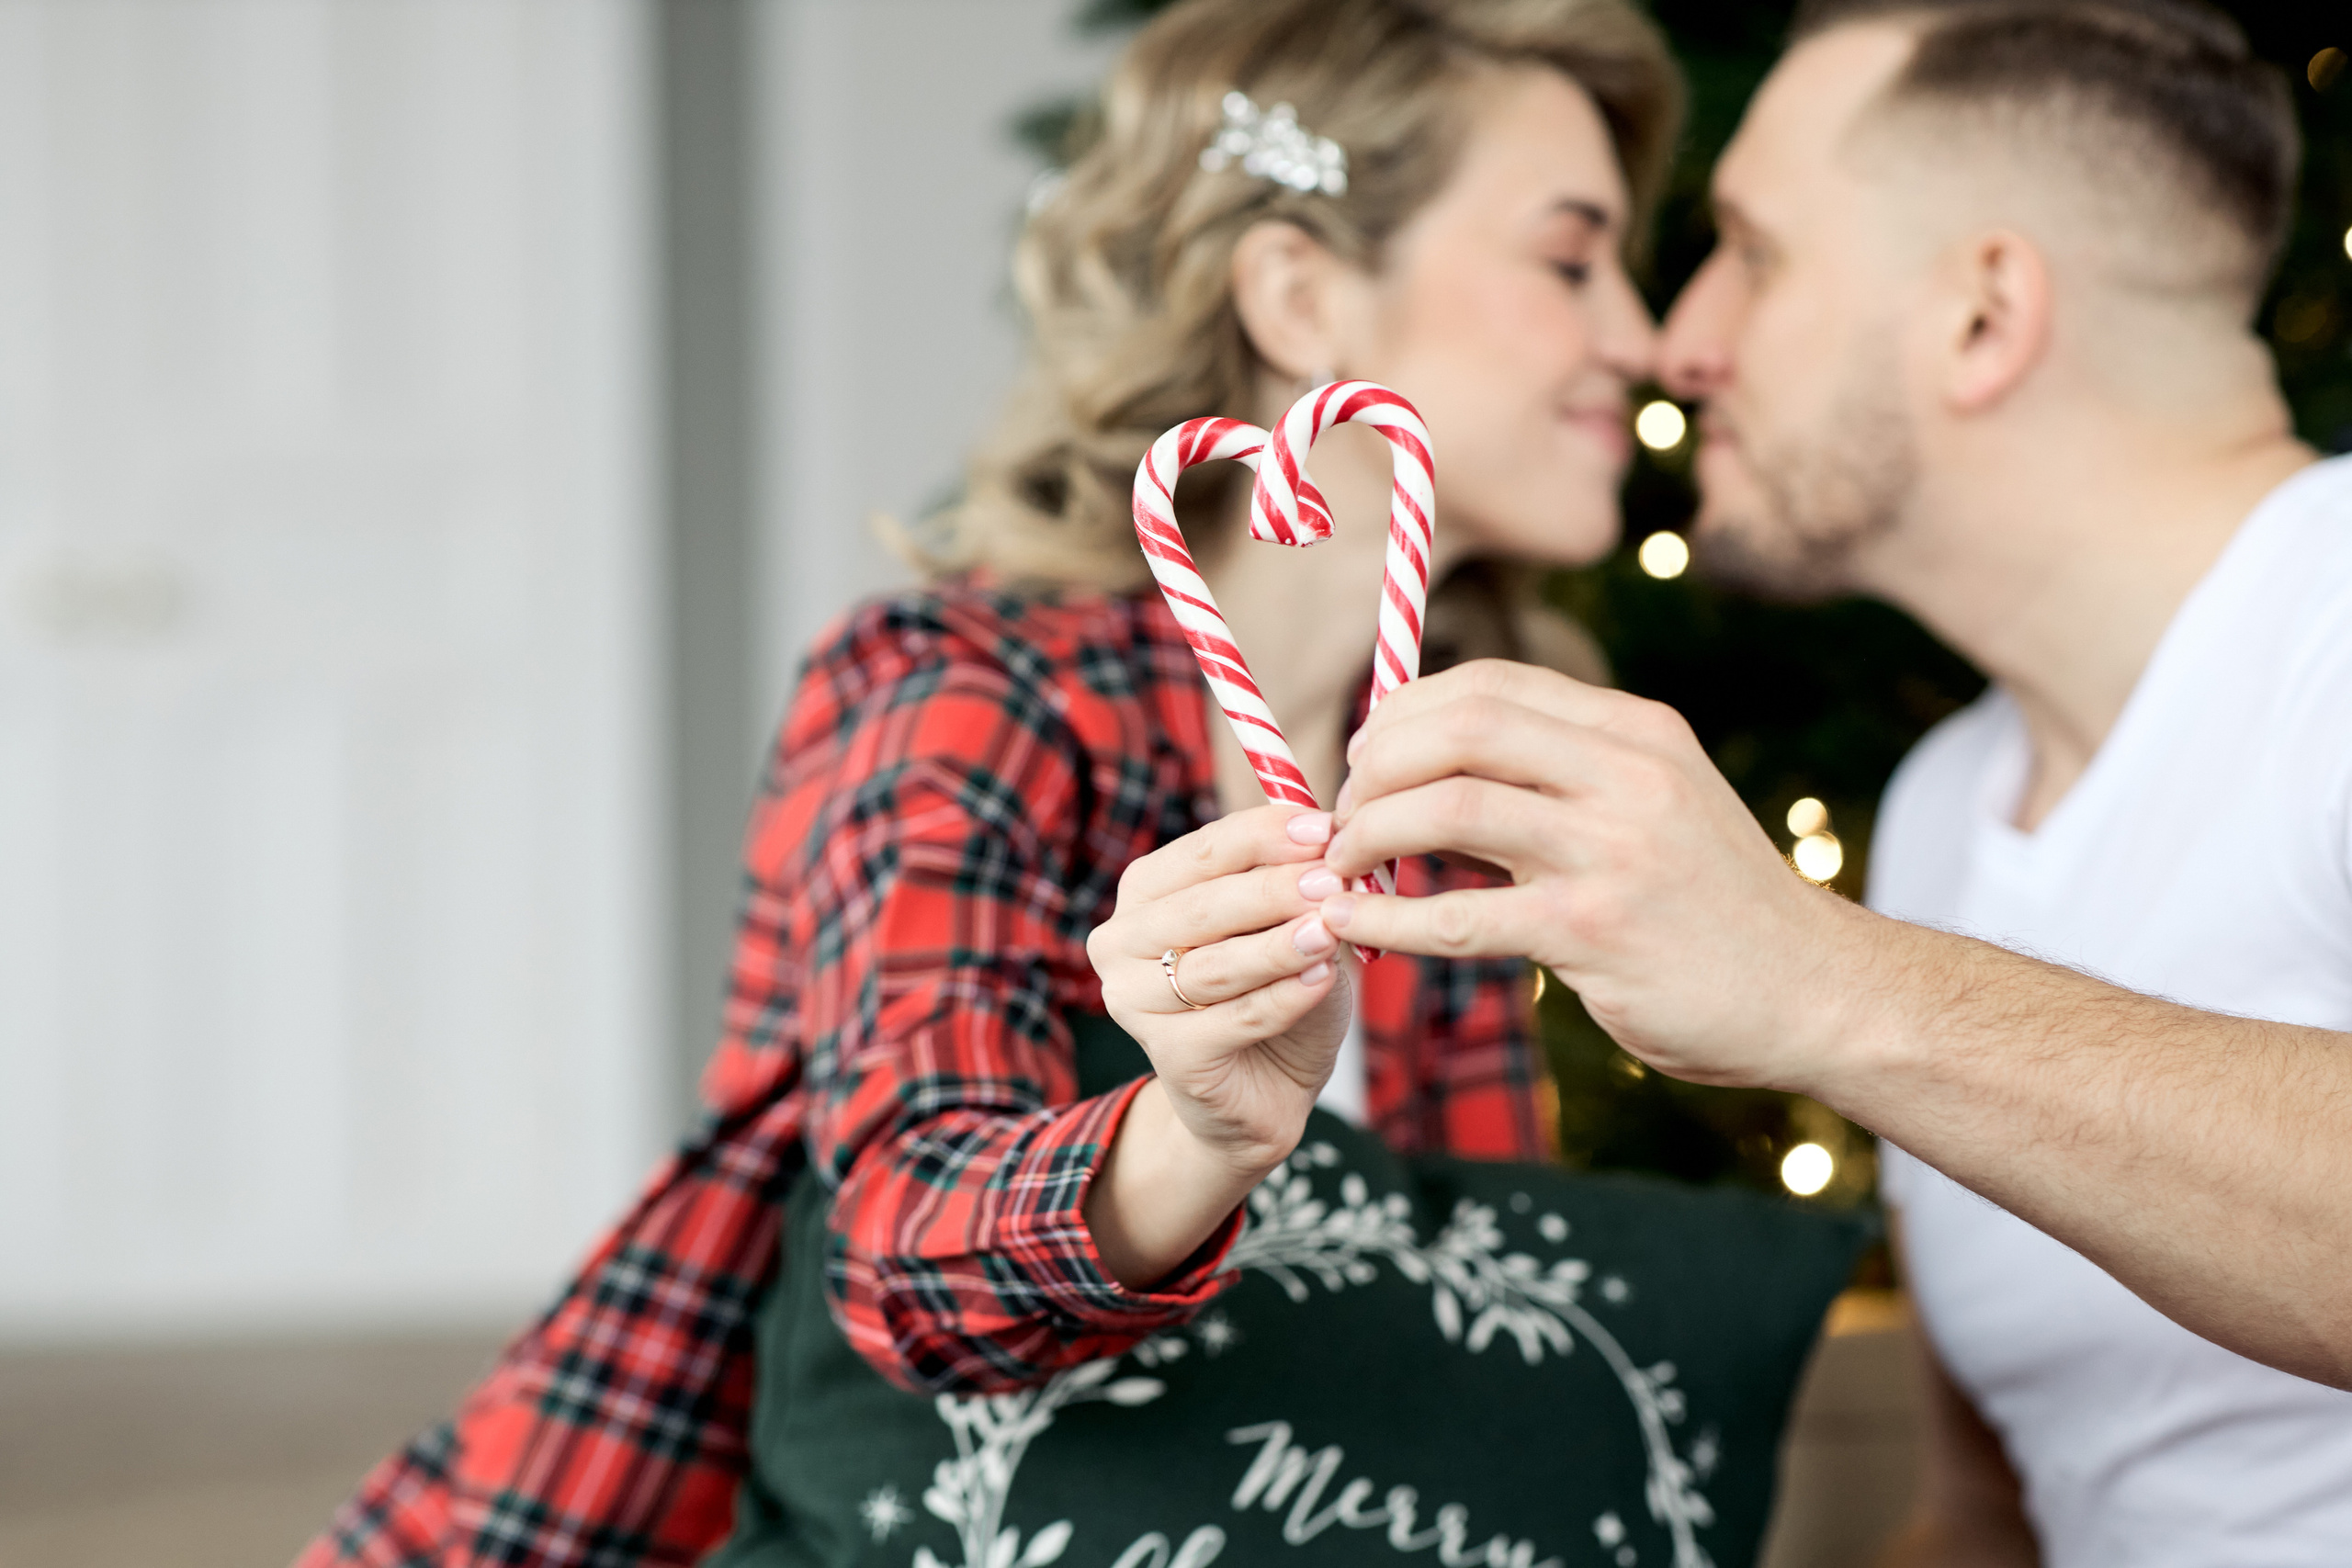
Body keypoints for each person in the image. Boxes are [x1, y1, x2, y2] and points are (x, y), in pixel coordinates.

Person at [299, 1, 1679, 1562]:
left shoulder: (1457, 795)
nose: (1638, 336)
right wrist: (1197, 1133)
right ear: (1302, 294)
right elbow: (904, 1253)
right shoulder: (960, 694)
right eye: (1573, 259)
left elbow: (1460, 1327)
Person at [1307, 0, 2352, 1562]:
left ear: (1983, 315)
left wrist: (1825, 982)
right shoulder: (1942, 809)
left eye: (1756, 249)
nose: (1678, 339)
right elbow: (1992, 1516)